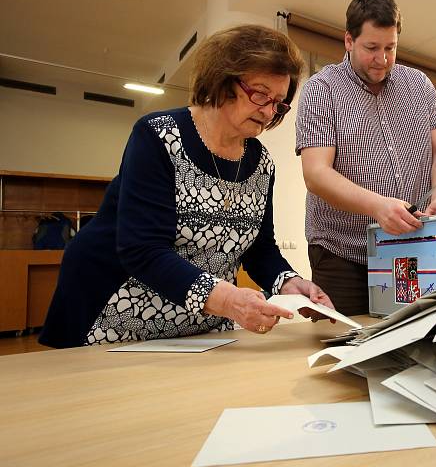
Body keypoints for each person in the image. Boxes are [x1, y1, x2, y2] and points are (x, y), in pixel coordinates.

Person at [40, 25, 334, 348]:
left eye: (278, 102)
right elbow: (142, 249)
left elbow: (259, 248)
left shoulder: (262, 164)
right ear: (225, 80)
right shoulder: (158, 137)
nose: (267, 111)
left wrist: (288, 282)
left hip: (197, 330)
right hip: (115, 316)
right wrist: (229, 300)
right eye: (260, 93)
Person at [296, 0, 436, 316]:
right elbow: (316, 174)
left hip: (408, 248)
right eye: (371, 48)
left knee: (408, 332)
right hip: (341, 251)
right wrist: (377, 207)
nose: (383, 59)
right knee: (344, 343)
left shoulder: (419, 84)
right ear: (349, 41)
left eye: (391, 48)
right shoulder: (322, 89)